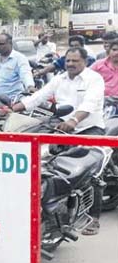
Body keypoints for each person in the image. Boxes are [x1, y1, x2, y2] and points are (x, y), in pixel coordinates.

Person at [9, 47, 105, 236]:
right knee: (47, 164)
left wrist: (74, 120)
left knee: (91, 172)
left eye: (74, 61)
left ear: (84, 61)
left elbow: (90, 103)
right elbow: (38, 96)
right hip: (61, 128)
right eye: (68, 60)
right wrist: (13, 109)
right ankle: (54, 212)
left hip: (88, 128)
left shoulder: (94, 79)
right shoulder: (59, 79)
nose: (70, 64)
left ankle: (94, 218)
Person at [0, 33, 35, 101]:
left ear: (10, 43)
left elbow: (26, 74)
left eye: (1, 44)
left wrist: (30, 86)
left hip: (11, 101)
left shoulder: (19, 58)